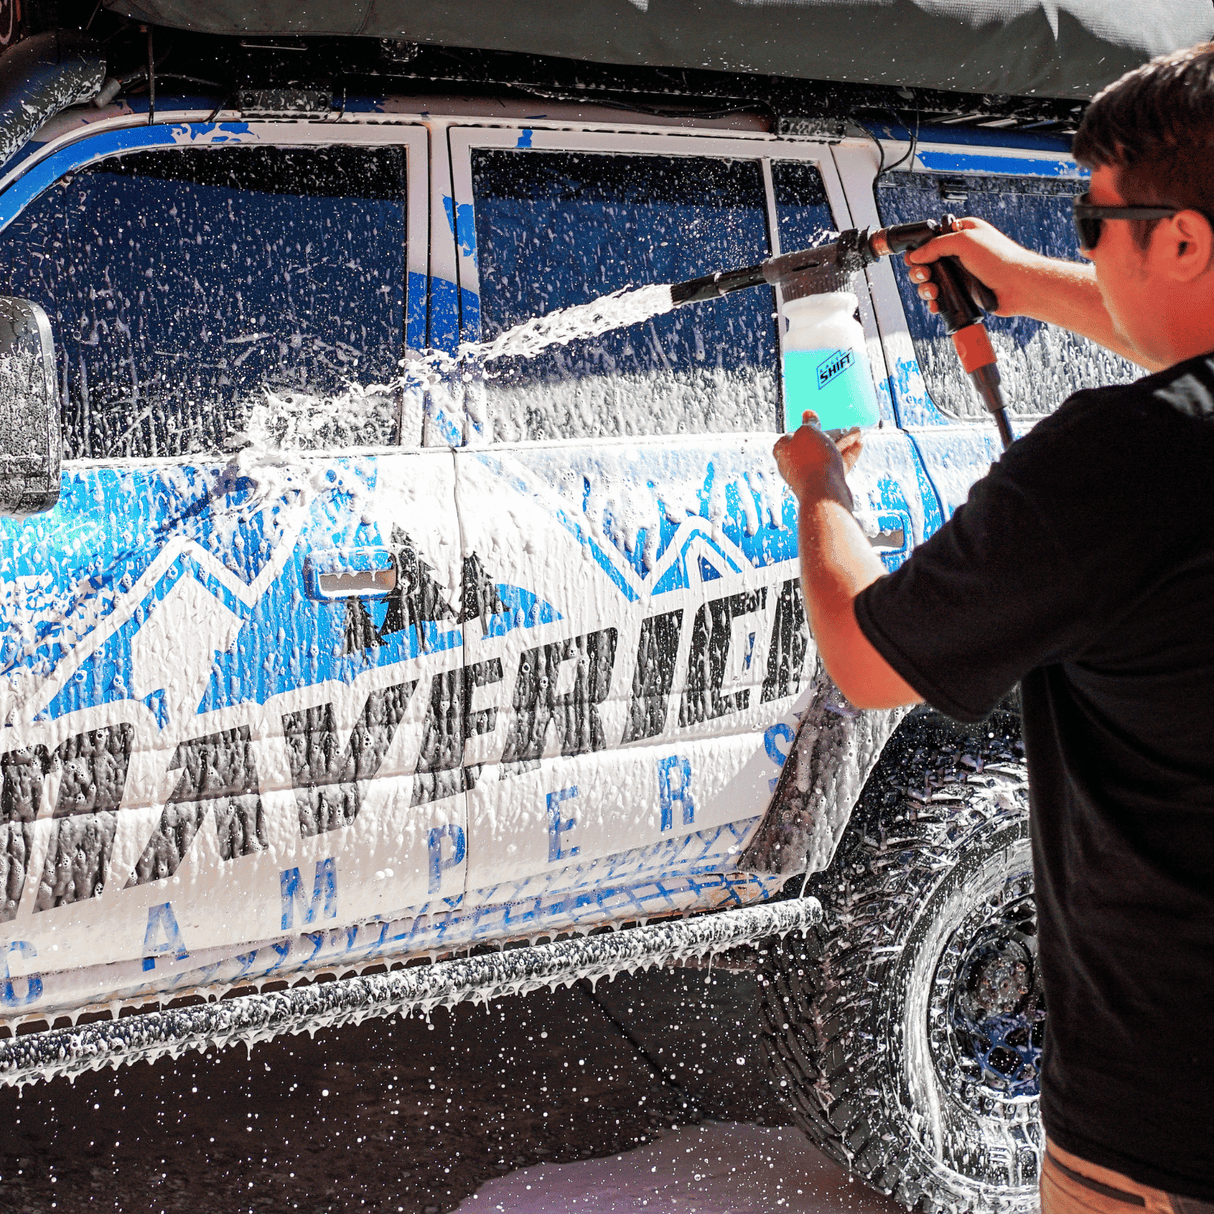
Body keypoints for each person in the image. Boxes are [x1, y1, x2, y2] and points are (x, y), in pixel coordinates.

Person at [773, 43, 1214, 1214]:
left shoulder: (1122, 461)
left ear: (1179, 240)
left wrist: (820, 485)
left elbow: (867, 658)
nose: (1081, 245)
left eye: (1090, 222)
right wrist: (1021, 280)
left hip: (1161, 1139)